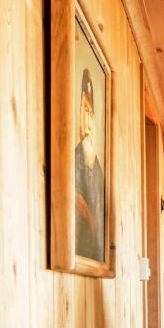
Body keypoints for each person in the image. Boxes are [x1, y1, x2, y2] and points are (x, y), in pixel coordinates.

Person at [75, 67, 105, 261]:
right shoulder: (76, 157)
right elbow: (76, 197)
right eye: (83, 111)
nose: (86, 120)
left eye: (89, 112)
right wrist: (92, 222)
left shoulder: (98, 167)